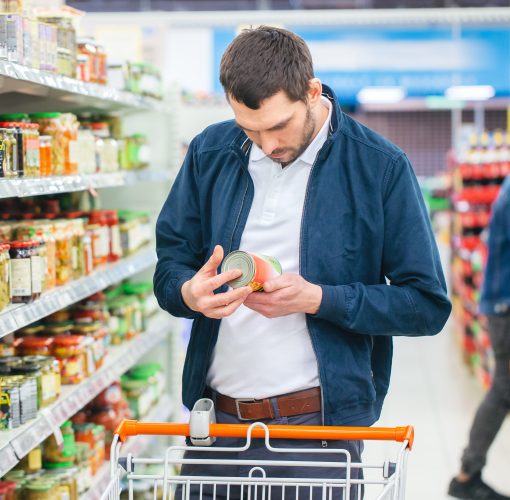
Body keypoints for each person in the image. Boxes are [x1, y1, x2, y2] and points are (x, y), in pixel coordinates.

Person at [154, 26, 452, 499]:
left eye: (278, 126)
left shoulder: (379, 167)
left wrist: (320, 299)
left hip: (318, 434)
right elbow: (171, 260)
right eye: (249, 129)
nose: (266, 144)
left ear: (312, 91)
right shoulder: (211, 151)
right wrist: (187, 293)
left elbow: (426, 305)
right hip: (216, 427)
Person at [449, 176, 510, 500]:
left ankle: (467, 473)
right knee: (503, 390)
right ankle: (467, 474)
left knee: (503, 390)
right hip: (506, 308)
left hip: (501, 305)